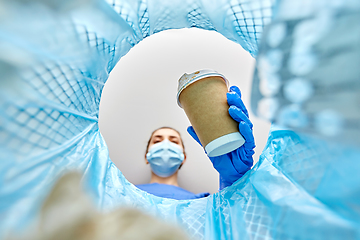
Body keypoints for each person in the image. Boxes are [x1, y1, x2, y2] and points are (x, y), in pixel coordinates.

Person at [136, 85, 255, 199]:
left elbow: (237, 215)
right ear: (146, 156)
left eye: (174, 141)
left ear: (184, 157)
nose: (165, 145)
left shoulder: (201, 201)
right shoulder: (124, 192)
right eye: (157, 141)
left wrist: (235, 180)